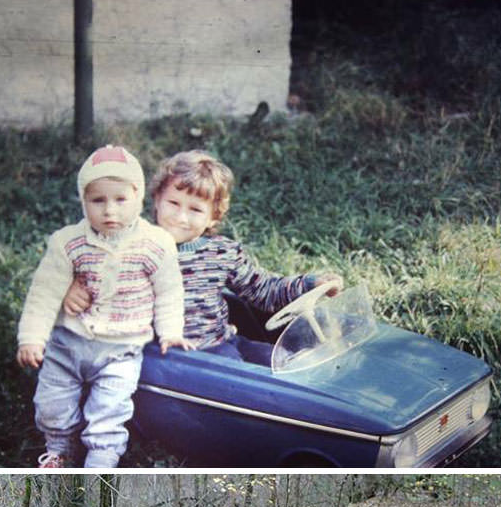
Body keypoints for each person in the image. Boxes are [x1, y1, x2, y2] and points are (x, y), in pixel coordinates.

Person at [63, 149, 343, 367]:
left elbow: (263, 290)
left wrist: (308, 283)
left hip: (222, 341)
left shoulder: (222, 253)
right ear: (157, 200)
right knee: (250, 382)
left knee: (284, 359)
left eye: (195, 209)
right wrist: (75, 286)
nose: (180, 217)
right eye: (173, 203)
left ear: (213, 216)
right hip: (174, 356)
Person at [16, 144, 190, 469]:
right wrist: (31, 338)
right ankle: (59, 450)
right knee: (52, 405)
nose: (110, 211)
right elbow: (45, 291)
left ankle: (101, 462)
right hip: (68, 343)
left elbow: (168, 291)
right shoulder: (68, 242)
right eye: (98, 200)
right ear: (84, 201)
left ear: (138, 197)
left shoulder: (155, 244)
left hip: (121, 350)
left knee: (110, 411)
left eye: (120, 199)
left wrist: (170, 331)